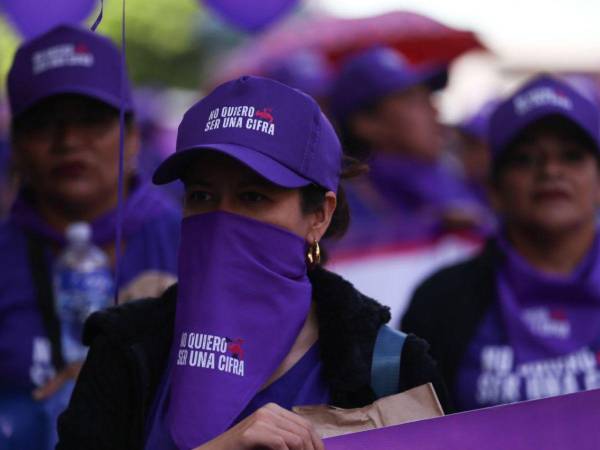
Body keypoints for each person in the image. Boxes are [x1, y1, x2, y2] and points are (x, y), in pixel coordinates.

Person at [56, 76, 447, 449]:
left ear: (319, 216)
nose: (223, 219)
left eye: (253, 197)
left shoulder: (392, 367)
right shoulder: (126, 347)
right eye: (203, 196)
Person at [0, 24, 180, 448]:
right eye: (44, 123)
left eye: (92, 120)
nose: (68, 141)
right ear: (17, 145)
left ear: (133, 137)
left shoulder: (196, 244)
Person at [402, 75, 600, 412]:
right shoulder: (440, 302)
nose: (551, 171)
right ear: (493, 189)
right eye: (524, 159)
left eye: (571, 156)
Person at [329, 46, 485, 252]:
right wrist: (430, 230)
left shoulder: (451, 179)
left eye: (430, 98)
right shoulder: (344, 207)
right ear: (367, 124)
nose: (435, 110)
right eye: (414, 100)